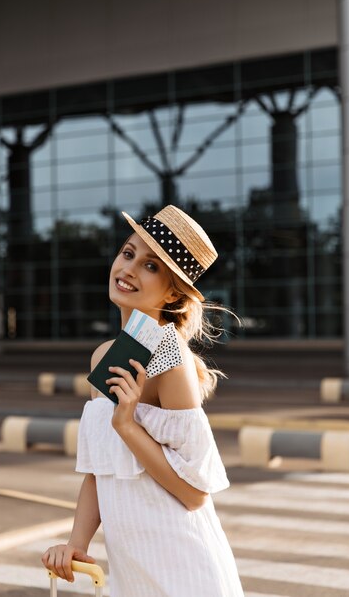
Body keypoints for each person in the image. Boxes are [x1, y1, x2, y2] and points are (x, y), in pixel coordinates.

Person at [42, 205, 245, 597]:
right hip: (131, 567)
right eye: (128, 253)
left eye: (151, 266)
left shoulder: (171, 357)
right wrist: (77, 544)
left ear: (172, 292)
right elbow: (101, 468)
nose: (129, 269)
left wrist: (127, 425)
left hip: (183, 566)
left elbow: (194, 493)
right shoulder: (104, 356)